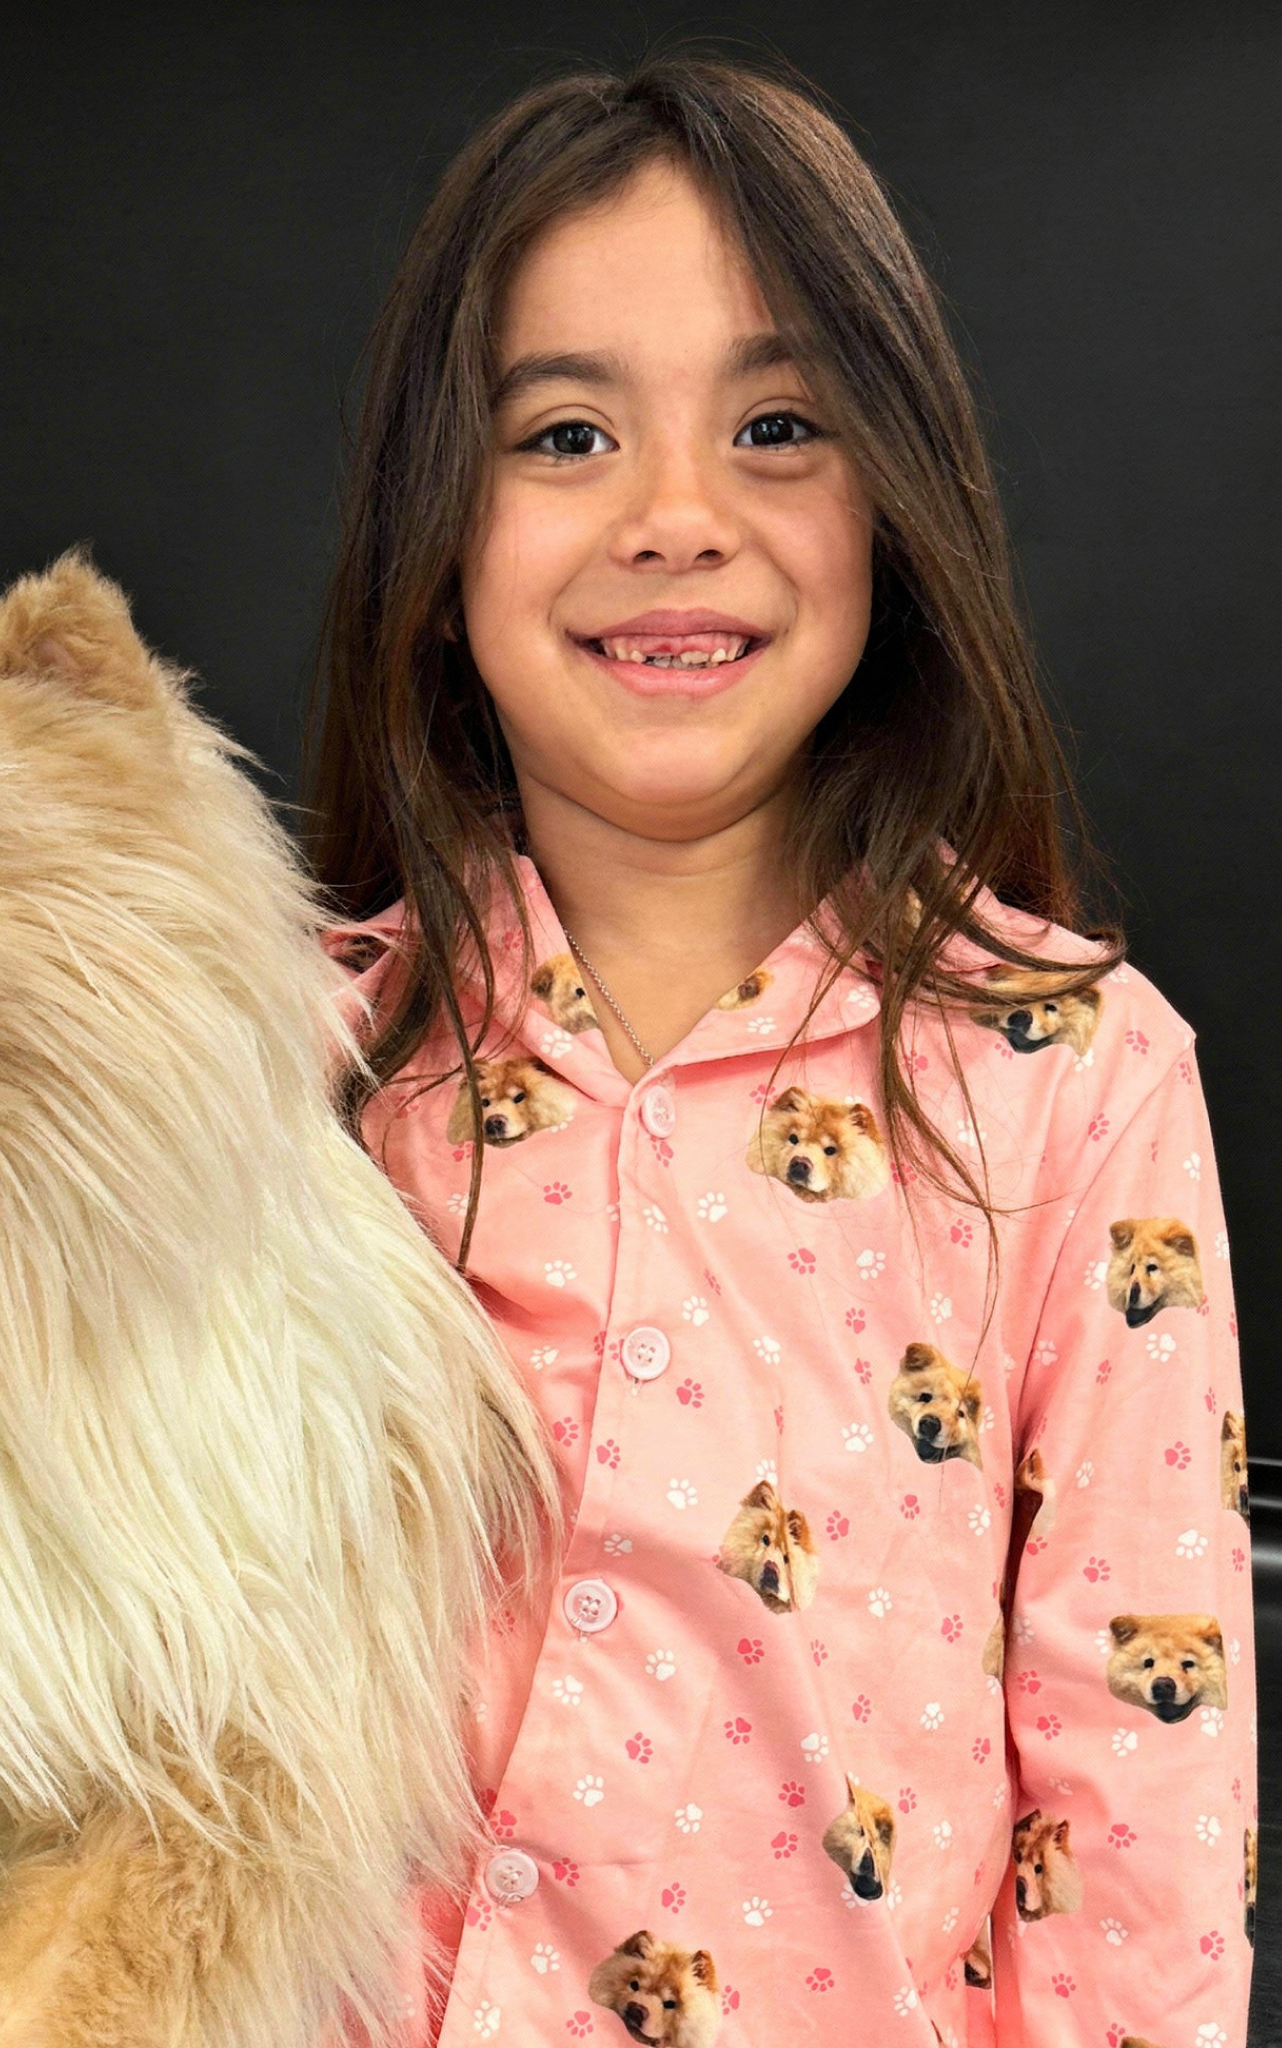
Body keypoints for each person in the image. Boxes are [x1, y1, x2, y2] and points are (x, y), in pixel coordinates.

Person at [311, 55, 1253, 2048]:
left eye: (775, 427)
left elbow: (1140, 1802)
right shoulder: (267, 1065)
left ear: (893, 497)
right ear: (436, 522)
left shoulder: (1073, 1075)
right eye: (565, 432)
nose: (673, 519)